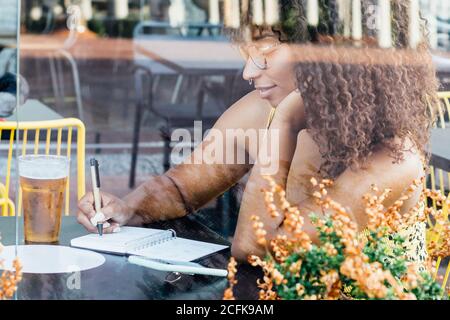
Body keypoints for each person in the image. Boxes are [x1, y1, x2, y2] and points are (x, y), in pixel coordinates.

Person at [77, 1, 437, 264]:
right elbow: (182, 188)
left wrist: (283, 124)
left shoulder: (392, 160)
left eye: (265, 52)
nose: (248, 71)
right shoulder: (260, 110)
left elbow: (258, 249)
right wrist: (126, 208)